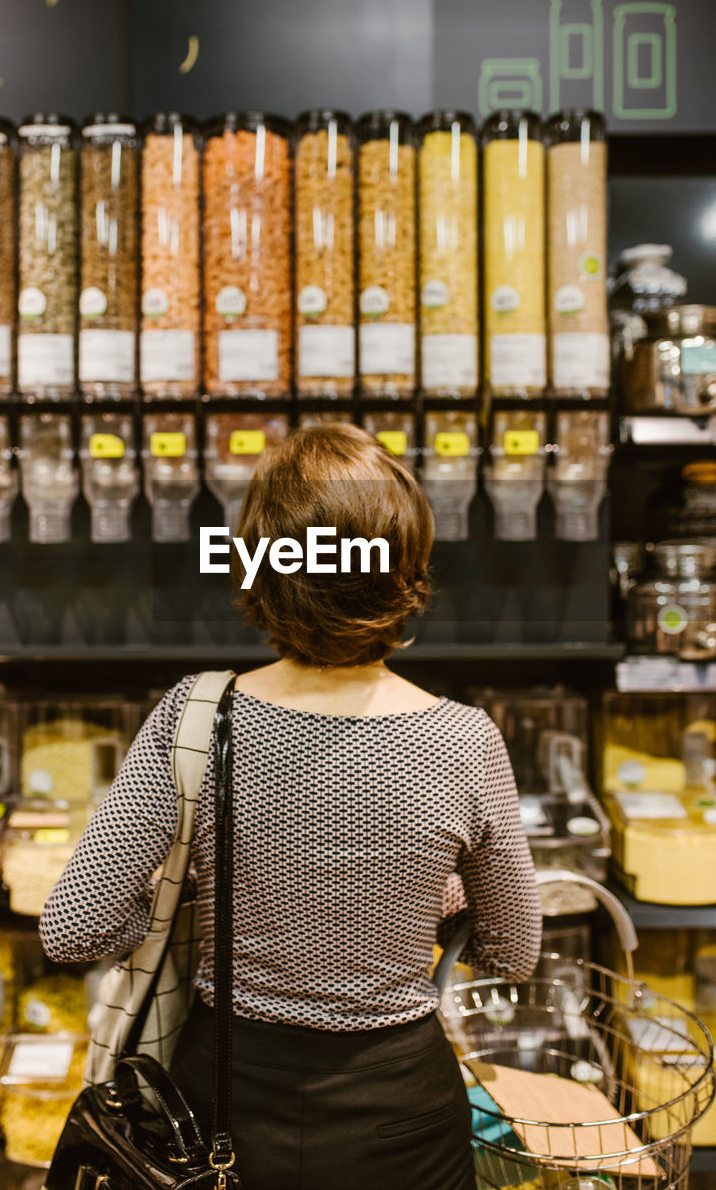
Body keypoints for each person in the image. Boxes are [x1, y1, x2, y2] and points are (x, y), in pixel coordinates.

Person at [40, 423, 542, 1190]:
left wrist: (196, 905)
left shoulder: (197, 717)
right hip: (400, 1116)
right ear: (403, 570)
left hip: (223, 1105)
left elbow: (74, 928)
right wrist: (412, 896)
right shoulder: (462, 741)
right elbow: (512, 952)